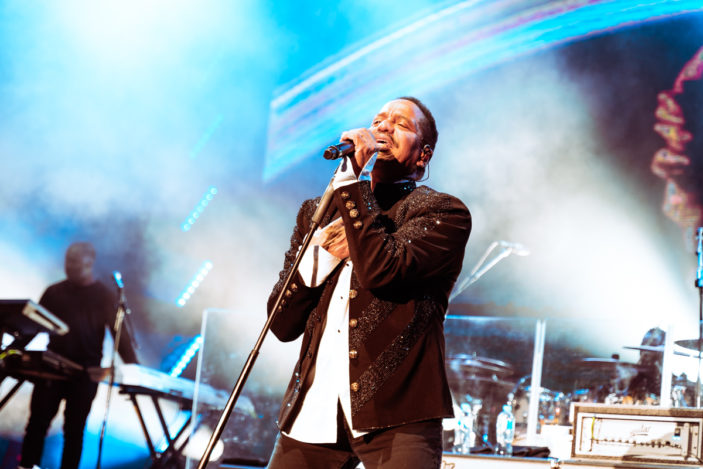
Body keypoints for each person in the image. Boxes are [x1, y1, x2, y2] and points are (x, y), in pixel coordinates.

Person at [266, 97, 472, 468]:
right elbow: (281, 324)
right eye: (378, 121)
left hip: (399, 412)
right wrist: (323, 255)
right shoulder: (316, 212)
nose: (384, 127)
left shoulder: (442, 212)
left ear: (423, 155)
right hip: (314, 409)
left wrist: (351, 185)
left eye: (401, 124)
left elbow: (382, 272)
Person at [19, 242, 138, 469]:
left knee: (74, 433)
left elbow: (120, 338)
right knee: (36, 425)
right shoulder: (54, 292)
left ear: (89, 262)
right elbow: (31, 326)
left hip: (85, 375)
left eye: (75, 262)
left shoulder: (104, 296)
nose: (69, 266)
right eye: (68, 261)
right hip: (51, 370)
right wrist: (14, 349)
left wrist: (132, 372)